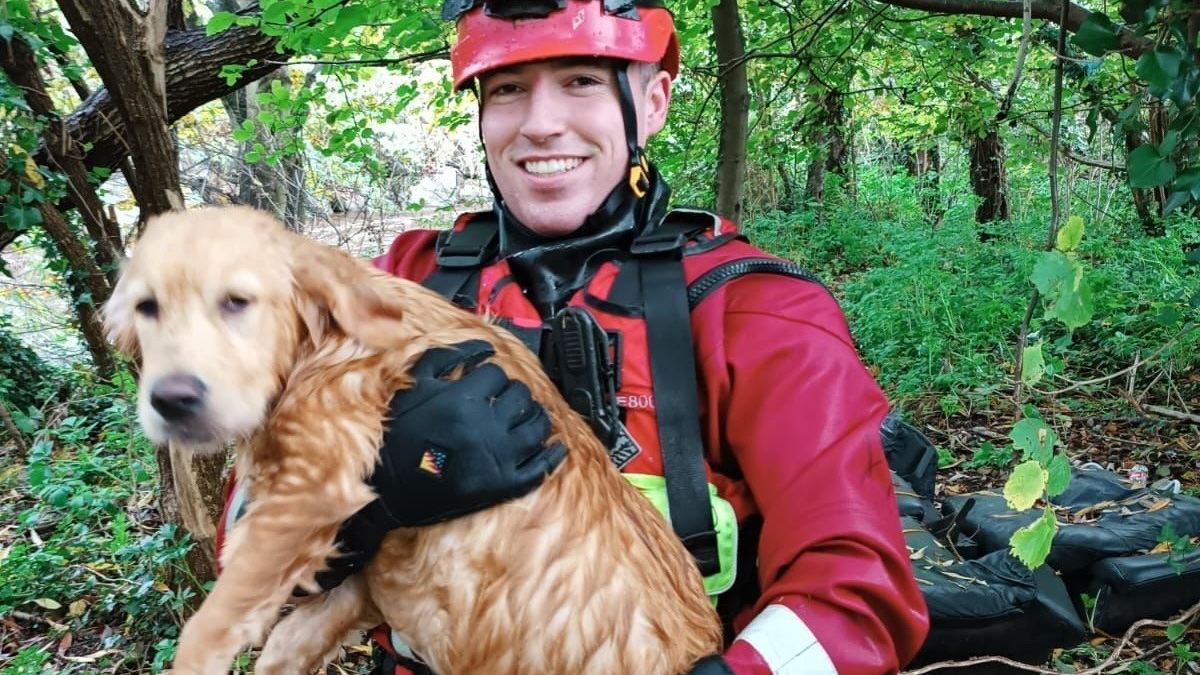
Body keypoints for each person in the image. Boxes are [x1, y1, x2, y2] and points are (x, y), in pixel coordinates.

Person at [218, 1, 930, 674]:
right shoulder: (400, 286)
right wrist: (373, 501)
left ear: (652, 102)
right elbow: (243, 540)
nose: (541, 124)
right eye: (507, 89)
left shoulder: (757, 314)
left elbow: (857, 596)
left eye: (581, 81)